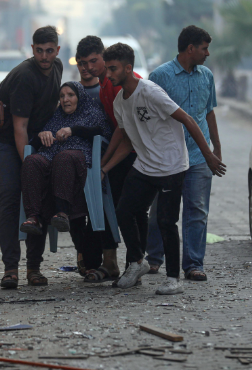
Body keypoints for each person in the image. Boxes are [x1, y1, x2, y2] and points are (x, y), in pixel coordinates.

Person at [100, 43, 226, 295]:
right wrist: (105, 168)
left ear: (128, 68)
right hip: (145, 166)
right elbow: (126, 139)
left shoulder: (150, 92)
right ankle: (137, 263)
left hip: (171, 165)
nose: (108, 74)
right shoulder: (119, 101)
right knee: (124, 211)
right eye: (107, 69)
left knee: (167, 222)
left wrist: (209, 155)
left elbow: (187, 120)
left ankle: (173, 279)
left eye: (112, 69)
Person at [0, 26, 63, 289]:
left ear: (57, 51)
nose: (44, 56)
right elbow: (19, 128)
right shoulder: (25, 77)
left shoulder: (58, 68)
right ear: (32, 50)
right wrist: (29, 163)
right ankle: (10, 269)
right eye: (39, 51)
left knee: (36, 197)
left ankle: (33, 268)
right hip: (2, 142)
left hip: (30, 139)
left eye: (49, 51)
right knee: (9, 198)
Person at [145, 25, 223, 281]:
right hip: (168, 158)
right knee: (161, 212)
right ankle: (154, 258)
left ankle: (193, 264)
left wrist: (217, 149)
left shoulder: (206, 76)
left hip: (200, 157)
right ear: (190, 48)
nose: (207, 53)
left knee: (197, 211)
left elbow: (209, 112)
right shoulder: (160, 76)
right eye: (204, 48)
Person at [73, 36, 142, 285]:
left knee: (129, 211)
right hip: (122, 151)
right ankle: (114, 263)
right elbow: (118, 131)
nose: (89, 67)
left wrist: (105, 166)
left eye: (94, 61)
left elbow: (128, 136)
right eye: (83, 63)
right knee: (108, 207)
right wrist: (104, 164)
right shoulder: (104, 85)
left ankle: (137, 263)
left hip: (139, 155)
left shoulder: (119, 84)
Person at [20, 82, 112, 236]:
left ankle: (62, 213)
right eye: (62, 96)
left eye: (70, 95)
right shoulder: (57, 116)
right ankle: (33, 217)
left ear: (80, 96)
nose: (65, 99)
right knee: (31, 161)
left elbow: (102, 132)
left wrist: (73, 130)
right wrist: (42, 135)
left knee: (64, 158)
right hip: (51, 155)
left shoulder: (92, 112)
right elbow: (35, 143)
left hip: (79, 155)